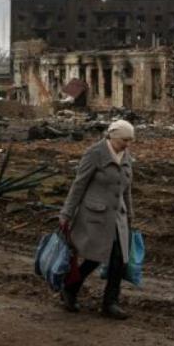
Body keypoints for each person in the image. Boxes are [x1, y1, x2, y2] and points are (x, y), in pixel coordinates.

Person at [58, 119, 135, 319]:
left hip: (118, 217)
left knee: (119, 260)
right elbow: (79, 184)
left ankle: (110, 303)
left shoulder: (125, 155)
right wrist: (66, 213)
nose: (127, 144)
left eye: (130, 140)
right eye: (124, 140)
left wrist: (130, 215)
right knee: (94, 258)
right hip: (95, 215)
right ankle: (70, 289)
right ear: (113, 137)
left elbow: (126, 189)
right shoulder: (95, 153)